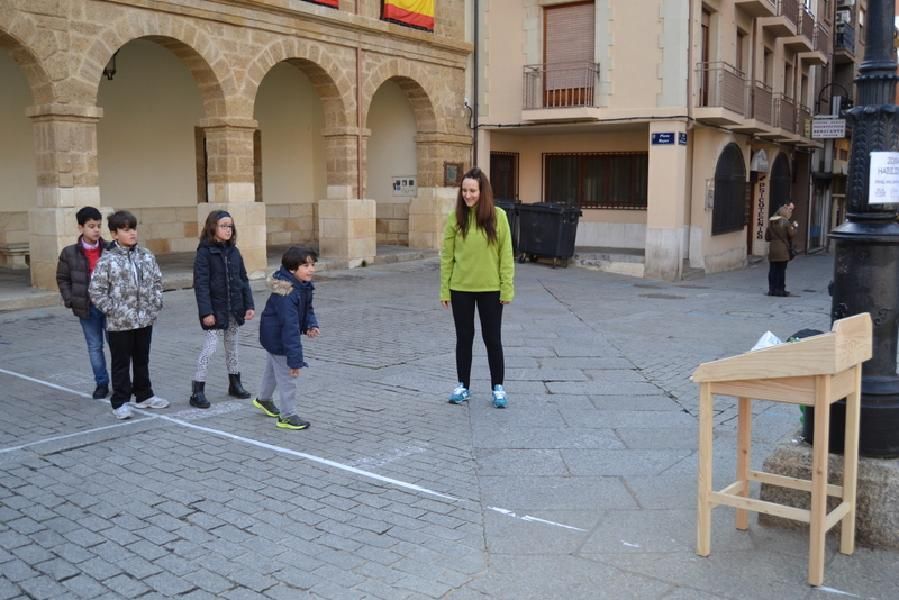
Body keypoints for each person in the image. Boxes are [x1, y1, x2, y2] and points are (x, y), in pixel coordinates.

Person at [440, 166, 515, 408]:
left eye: (472, 190)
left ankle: (498, 387)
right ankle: (463, 386)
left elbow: (506, 255)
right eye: (464, 190)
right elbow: (447, 257)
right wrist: (445, 289)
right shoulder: (455, 219)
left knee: (492, 339)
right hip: (460, 288)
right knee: (464, 338)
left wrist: (507, 288)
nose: (468, 195)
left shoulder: (499, 217)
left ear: (483, 191)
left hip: (491, 289)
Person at [89, 210, 169, 419]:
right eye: (126, 230)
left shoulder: (146, 255)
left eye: (133, 228)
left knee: (142, 359)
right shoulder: (107, 260)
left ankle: (144, 395)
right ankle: (120, 402)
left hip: (144, 319)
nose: (132, 233)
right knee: (121, 363)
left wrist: (155, 304)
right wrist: (113, 309)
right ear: (115, 234)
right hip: (119, 322)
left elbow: (158, 281)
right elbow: (96, 290)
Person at [189, 210, 256, 409]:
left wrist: (249, 304)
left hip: (233, 309)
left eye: (230, 226)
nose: (228, 230)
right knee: (210, 348)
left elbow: (243, 280)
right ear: (213, 228)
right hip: (215, 311)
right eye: (223, 226)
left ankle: (235, 384)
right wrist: (206, 312)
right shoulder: (204, 252)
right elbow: (200, 285)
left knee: (232, 348)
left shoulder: (234, 252)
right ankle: (197, 390)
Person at [253, 246, 319, 430]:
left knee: (272, 370)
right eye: (306, 265)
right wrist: (295, 362)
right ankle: (287, 416)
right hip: (278, 337)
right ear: (292, 269)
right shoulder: (286, 292)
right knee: (287, 378)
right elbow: (289, 327)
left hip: (274, 334)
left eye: (312, 264)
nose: (311, 269)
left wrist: (310, 325)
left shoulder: (302, 285)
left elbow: (307, 309)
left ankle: (263, 400)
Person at [56, 206, 111, 399]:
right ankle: (102, 383)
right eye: (91, 226)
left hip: (110, 307)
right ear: (81, 228)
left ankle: (123, 383)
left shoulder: (110, 249)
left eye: (98, 226)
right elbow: (62, 278)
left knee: (118, 346)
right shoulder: (69, 253)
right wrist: (71, 299)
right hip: (87, 307)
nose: (96, 230)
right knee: (95, 346)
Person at [765, 203, 798, 297]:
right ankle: (780, 290)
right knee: (781, 270)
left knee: (772, 270)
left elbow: (767, 237)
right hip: (783, 249)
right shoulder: (786, 222)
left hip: (773, 249)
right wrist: (795, 227)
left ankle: (772, 290)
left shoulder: (771, 222)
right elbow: (791, 235)